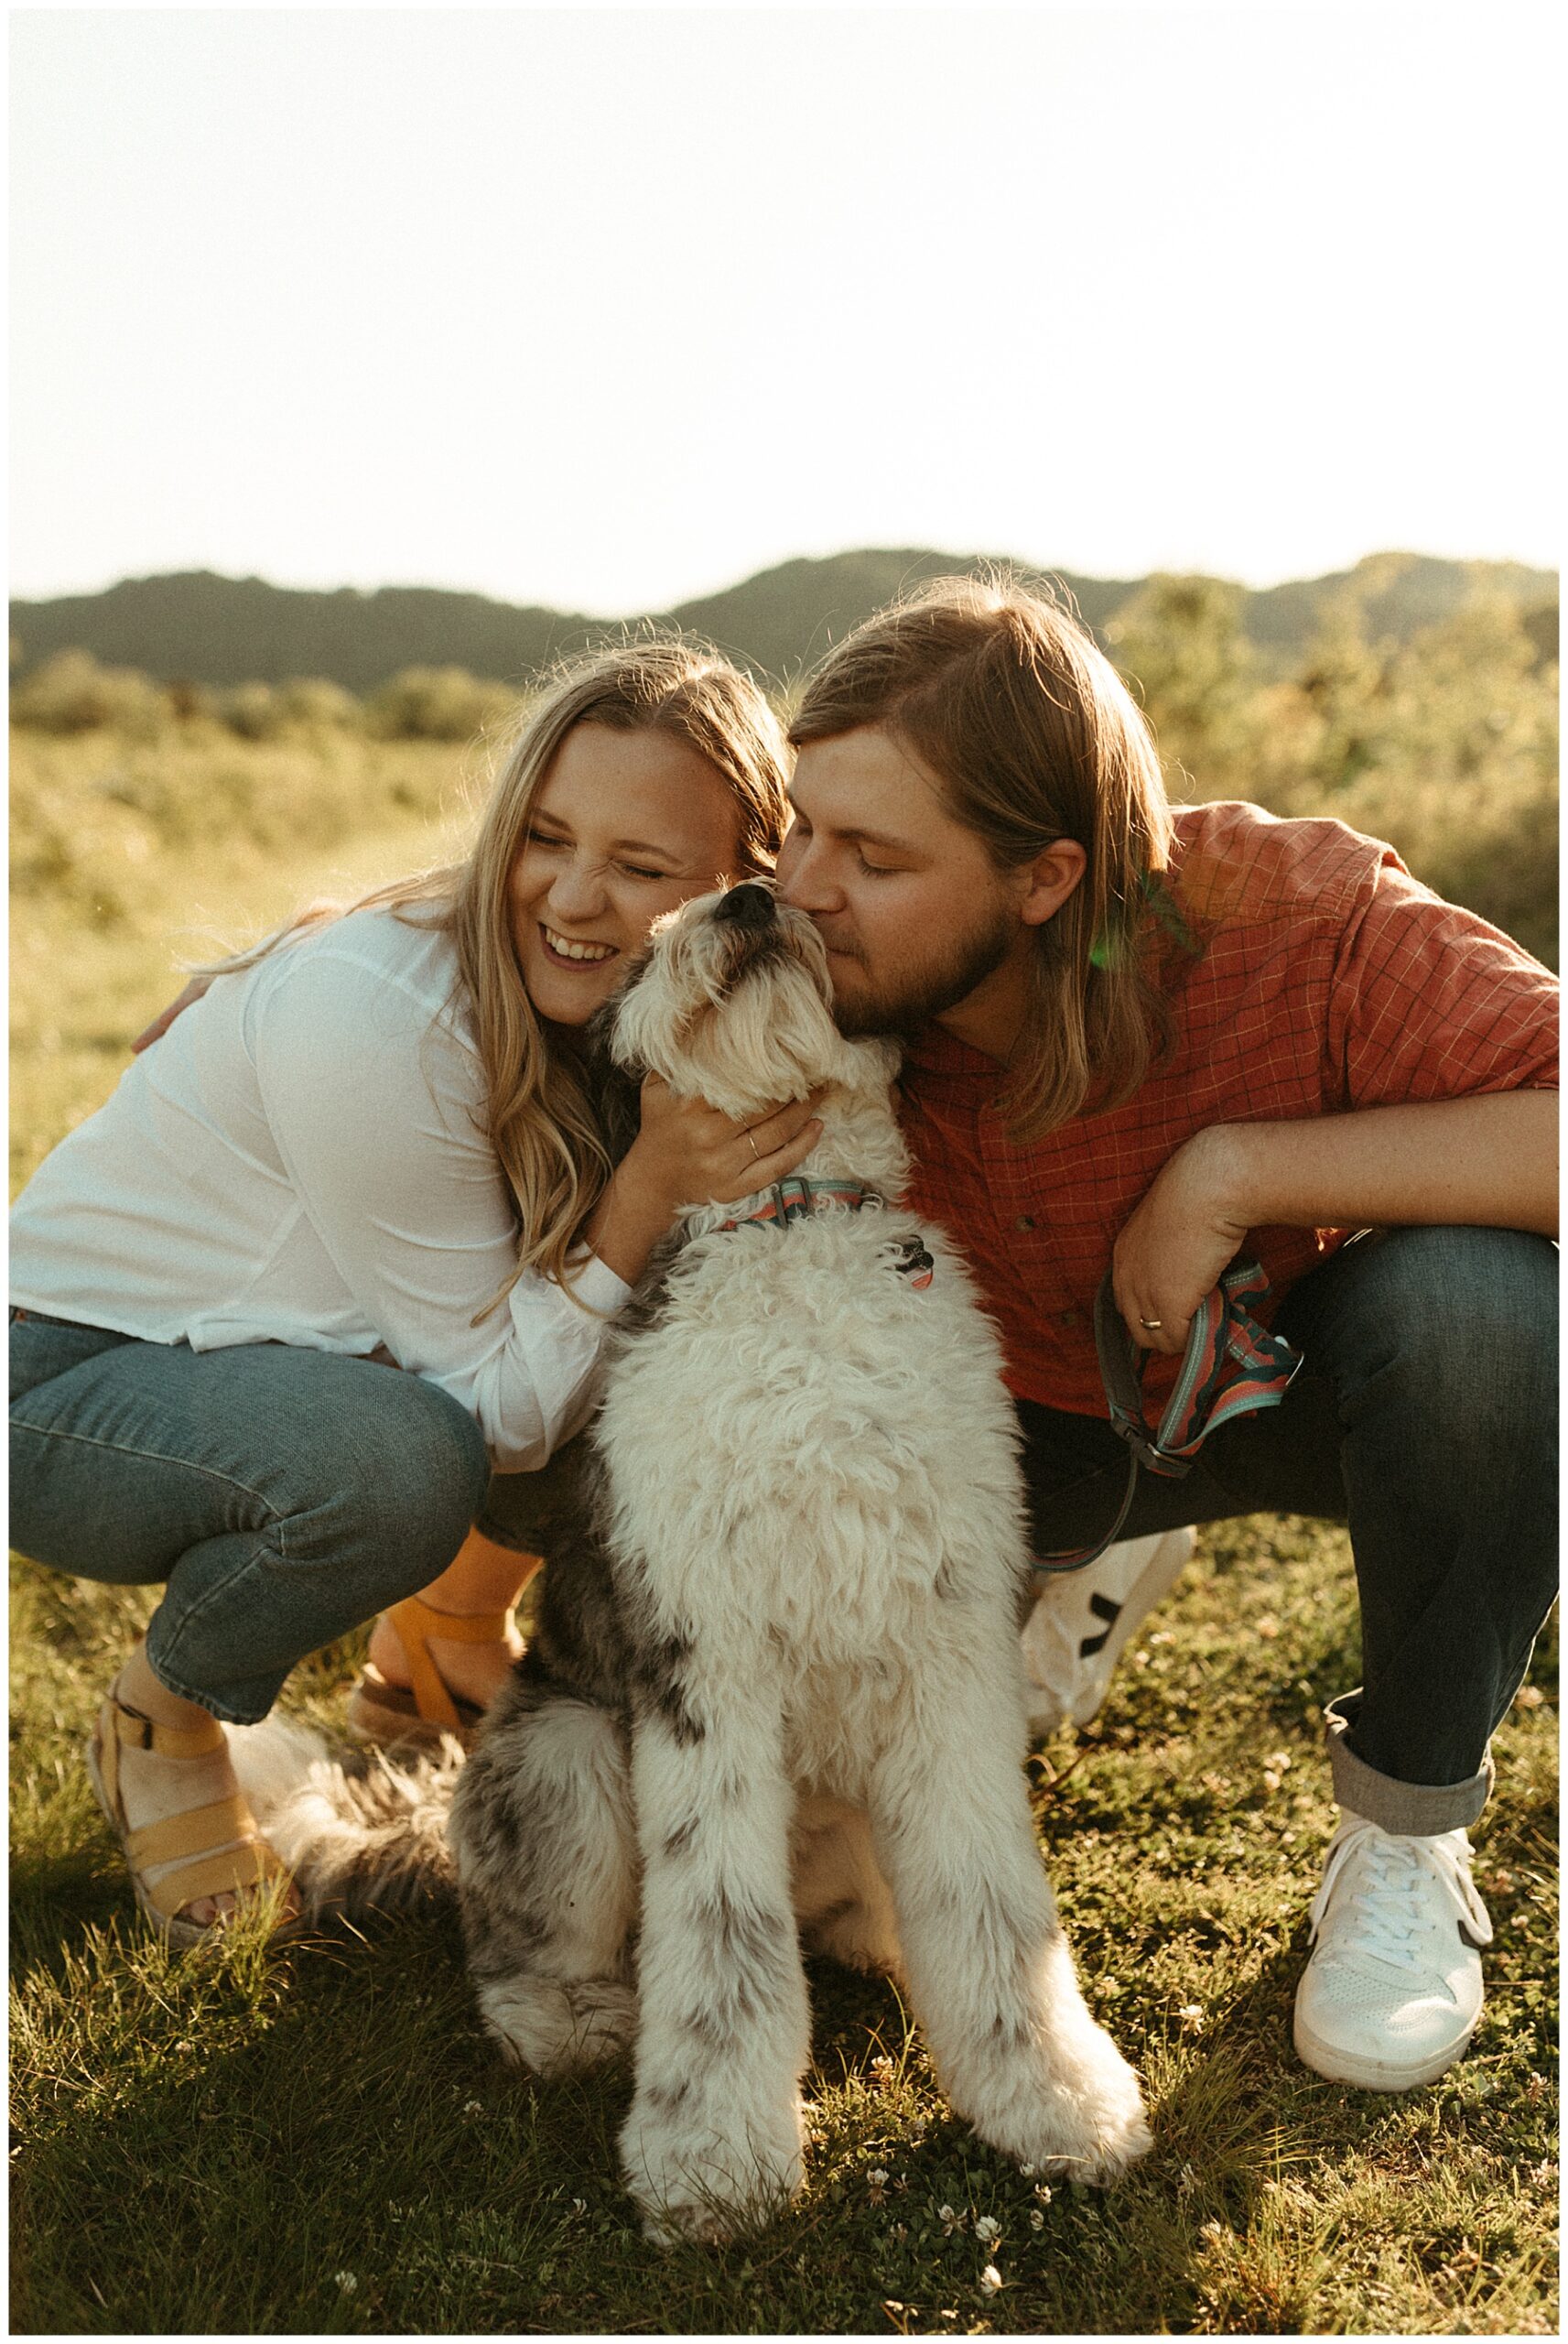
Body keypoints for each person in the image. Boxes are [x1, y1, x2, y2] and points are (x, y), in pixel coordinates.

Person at [772, 575, 1558, 2093]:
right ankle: (1046, 1606)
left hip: (1281, 1378)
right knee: (824, 1852)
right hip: (998, 1439)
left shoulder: (1287, 915)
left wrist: (1238, 1171)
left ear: (1045, 878)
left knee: (1485, 1314)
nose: (803, 883)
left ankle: (1404, 1845)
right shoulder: (794, 969)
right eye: (799, 826)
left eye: (869, 856)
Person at [9, 638, 823, 1943]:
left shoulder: (635, 1013)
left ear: (742, 889)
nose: (569, 894)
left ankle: (428, 1655)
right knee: (402, 1465)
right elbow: (493, 1417)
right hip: (61, 1390)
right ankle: (162, 1714)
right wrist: (647, 1185)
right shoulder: (378, 1015)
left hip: (275, 1357)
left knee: (649, 1355)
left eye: (641, 865)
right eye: (545, 837)